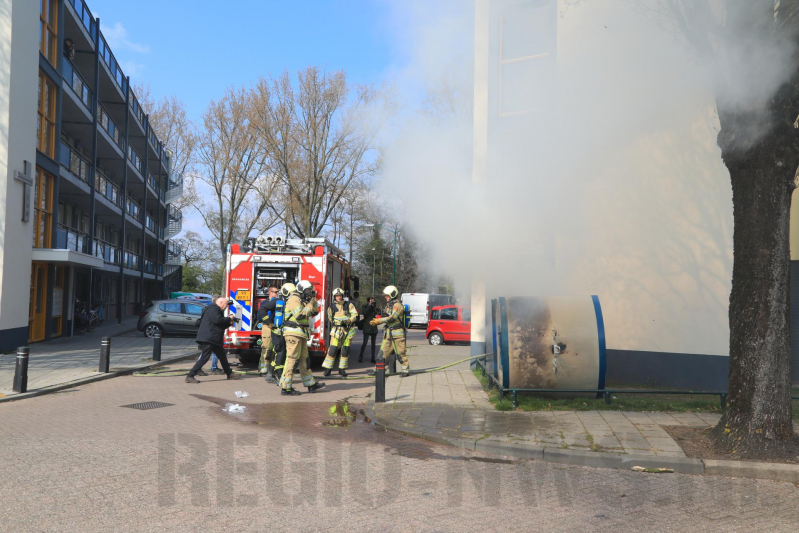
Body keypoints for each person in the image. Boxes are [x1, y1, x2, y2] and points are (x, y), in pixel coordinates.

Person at [280, 280, 325, 396]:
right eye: (308, 291)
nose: (309, 292)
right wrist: (309, 305)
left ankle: (310, 384)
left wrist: (313, 302)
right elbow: (300, 315)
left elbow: (312, 313)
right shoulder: (294, 299)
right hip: (293, 334)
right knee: (292, 359)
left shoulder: (301, 300)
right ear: (301, 290)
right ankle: (286, 388)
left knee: (304, 359)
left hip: (301, 334)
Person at [185, 297, 242, 383]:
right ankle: (190, 375)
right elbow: (218, 320)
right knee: (204, 358)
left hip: (214, 339)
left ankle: (230, 374)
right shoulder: (214, 308)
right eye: (226, 304)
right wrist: (229, 318)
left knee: (222, 357)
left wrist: (229, 323)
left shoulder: (215, 310)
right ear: (221, 302)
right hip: (209, 338)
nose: (226, 306)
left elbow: (219, 325)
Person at [370, 285, 410, 376]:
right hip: (388, 334)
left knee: (400, 353)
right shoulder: (389, 305)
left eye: (387, 296)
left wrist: (379, 321)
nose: (385, 297)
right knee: (382, 353)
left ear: (392, 295)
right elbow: (385, 316)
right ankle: (378, 370)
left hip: (398, 335)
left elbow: (392, 318)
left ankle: (405, 370)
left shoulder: (397, 305)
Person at [322, 288, 358, 377]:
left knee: (345, 350)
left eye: (340, 296)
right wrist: (337, 323)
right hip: (336, 331)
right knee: (332, 350)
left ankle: (342, 369)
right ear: (335, 297)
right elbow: (330, 318)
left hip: (347, 330)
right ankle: (328, 369)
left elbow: (355, 315)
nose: (339, 297)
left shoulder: (349, 305)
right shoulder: (331, 307)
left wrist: (348, 321)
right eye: (337, 296)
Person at [255, 285, 280, 382]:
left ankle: (270, 368)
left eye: (277, 292)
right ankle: (263, 369)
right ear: (270, 292)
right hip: (266, 326)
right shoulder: (265, 303)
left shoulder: (278, 302)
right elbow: (260, 316)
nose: (277, 294)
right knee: (266, 347)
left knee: (274, 348)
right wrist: (268, 321)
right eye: (275, 292)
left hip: (275, 327)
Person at [358, 297, 379, 363]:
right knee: (365, 342)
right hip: (367, 326)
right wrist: (369, 306)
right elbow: (364, 313)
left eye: (373, 300)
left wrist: (375, 306)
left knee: (373, 343)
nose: (372, 301)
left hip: (373, 327)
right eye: (371, 301)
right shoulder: (364, 306)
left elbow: (378, 313)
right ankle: (360, 356)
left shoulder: (374, 306)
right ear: (368, 301)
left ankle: (373, 357)